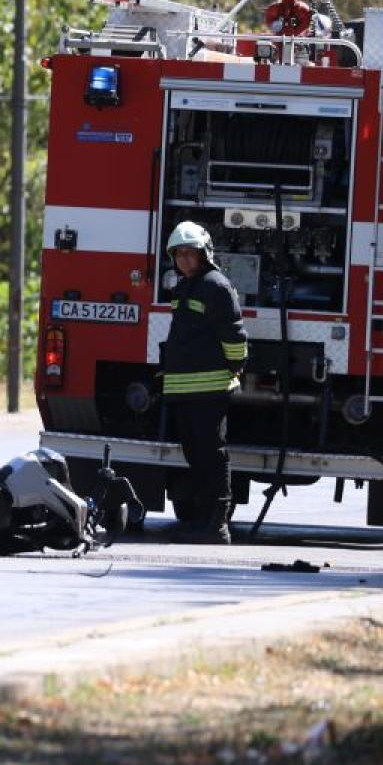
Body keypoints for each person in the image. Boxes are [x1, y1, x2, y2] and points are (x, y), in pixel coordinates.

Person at [160, 221, 249, 544]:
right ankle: (202, 519)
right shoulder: (184, 287)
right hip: (183, 388)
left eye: (190, 253)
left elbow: (234, 334)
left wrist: (235, 366)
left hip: (210, 388)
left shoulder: (216, 286)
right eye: (179, 253)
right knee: (195, 454)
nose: (184, 259)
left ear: (204, 254)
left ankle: (218, 524)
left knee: (212, 454)